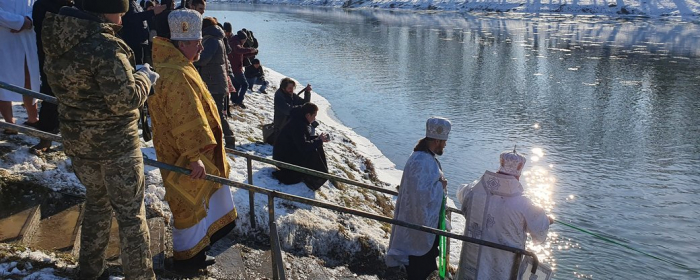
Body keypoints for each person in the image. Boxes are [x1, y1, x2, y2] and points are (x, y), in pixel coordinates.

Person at [41, 1, 160, 278]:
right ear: (102, 9)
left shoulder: (58, 37)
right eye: (119, 10)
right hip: (116, 146)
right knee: (131, 217)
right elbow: (125, 100)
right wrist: (144, 77)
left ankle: (90, 270)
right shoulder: (105, 47)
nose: (123, 16)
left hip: (79, 143)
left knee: (96, 204)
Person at [149, 9, 237, 272]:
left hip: (186, 151)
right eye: (196, 41)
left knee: (194, 203)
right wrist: (193, 156)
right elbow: (185, 118)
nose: (201, 45)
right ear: (181, 43)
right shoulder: (176, 74)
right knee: (187, 206)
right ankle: (186, 260)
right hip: (185, 154)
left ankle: (195, 255)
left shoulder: (178, 65)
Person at [455, 148, 552, 280]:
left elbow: (461, 193)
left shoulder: (474, 189)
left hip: (472, 265)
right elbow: (539, 228)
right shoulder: (523, 203)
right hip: (503, 268)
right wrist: (547, 220)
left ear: (499, 167)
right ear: (519, 174)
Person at [386, 117, 451, 280]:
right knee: (418, 269)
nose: (445, 145)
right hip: (418, 227)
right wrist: (440, 186)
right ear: (436, 140)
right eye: (444, 142)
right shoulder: (422, 161)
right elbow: (421, 196)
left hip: (418, 222)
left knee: (423, 267)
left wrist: (438, 185)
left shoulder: (422, 157)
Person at [29, 0, 73, 154]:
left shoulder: (79, 4)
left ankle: (75, 137)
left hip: (77, 58)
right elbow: (44, 31)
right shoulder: (43, 4)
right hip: (51, 58)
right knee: (50, 94)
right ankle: (45, 138)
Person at [194, 17, 235, 148]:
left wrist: (192, 59)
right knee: (215, 111)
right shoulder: (217, 38)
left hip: (214, 82)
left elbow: (204, 59)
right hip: (217, 80)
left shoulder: (211, 40)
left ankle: (229, 139)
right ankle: (219, 138)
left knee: (216, 112)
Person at [0, 0, 40, 135]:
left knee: (29, 75)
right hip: (4, 34)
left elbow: (38, 5)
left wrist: (29, 20)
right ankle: (9, 123)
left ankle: (33, 118)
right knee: (3, 78)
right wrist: (19, 22)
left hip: (28, 34)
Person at [272, 102, 330, 191]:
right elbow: (303, 146)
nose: (314, 119)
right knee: (313, 151)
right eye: (314, 116)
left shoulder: (299, 119)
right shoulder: (299, 125)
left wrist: (318, 139)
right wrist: (318, 140)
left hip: (285, 153)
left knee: (316, 144)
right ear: (308, 115)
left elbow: (302, 141)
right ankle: (316, 177)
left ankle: (318, 175)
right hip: (282, 158)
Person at [120, 0, 165, 65]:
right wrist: (152, 12)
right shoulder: (127, 4)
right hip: (134, 42)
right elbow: (133, 18)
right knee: (138, 66)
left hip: (143, 41)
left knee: (145, 66)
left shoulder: (135, 4)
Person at [271, 78, 310, 144]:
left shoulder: (290, 94)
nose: (291, 90)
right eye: (289, 88)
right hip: (282, 126)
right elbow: (288, 111)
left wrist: (307, 92)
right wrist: (300, 109)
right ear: (283, 88)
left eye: (293, 88)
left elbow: (304, 104)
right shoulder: (279, 96)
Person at [227, 30, 257, 108]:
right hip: (236, 69)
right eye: (245, 40)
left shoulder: (234, 41)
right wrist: (250, 49)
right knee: (245, 85)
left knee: (236, 85)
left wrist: (253, 53)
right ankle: (239, 101)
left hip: (234, 68)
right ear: (242, 39)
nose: (244, 42)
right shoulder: (236, 43)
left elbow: (241, 55)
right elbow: (239, 50)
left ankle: (234, 100)